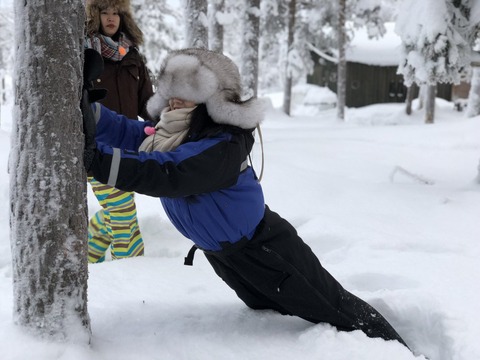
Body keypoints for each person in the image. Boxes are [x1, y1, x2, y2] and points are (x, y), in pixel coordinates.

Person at [82, 48, 409, 348]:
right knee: (272, 317)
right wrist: (88, 109)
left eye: (187, 95)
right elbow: (128, 132)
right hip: (224, 256)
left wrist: (96, 161)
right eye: (172, 94)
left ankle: (401, 351)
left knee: (336, 310)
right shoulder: (169, 131)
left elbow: (168, 173)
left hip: (266, 250)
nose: (175, 102)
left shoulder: (221, 144)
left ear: (211, 100)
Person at [84, 0, 154, 263]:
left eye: (116, 12)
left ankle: (86, 259)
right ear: (95, 15)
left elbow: (148, 103)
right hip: (97, 148)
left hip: (128, 149)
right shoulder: (86, 54)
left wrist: (174, 124)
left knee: (118, 212)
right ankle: (131, 272)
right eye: (105, 12)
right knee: (123, 213)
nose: (111, 18)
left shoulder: (132, 55)